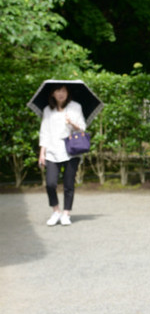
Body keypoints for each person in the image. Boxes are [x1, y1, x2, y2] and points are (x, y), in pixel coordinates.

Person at [38, 84, 86, 226]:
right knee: (51, 183)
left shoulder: (76, 107)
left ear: (67, 93)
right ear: (52, 94)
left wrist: (72, 123)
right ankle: (56, 211)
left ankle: (66, 213)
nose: (61, 94)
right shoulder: (48, 110)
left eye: (63, 90)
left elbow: (82, 127)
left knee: (68, 184)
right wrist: (42, 153)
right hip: (52, 151)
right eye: (58, 91)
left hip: (71, 151)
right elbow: (44, 132)